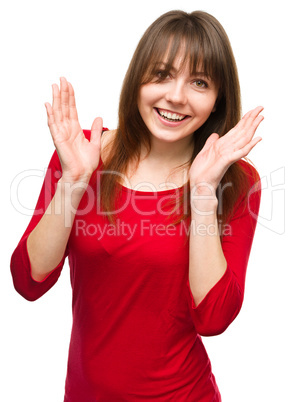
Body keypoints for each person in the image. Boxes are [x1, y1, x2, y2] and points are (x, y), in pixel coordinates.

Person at [10, 10, 263, 401]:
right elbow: (29, 281)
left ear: (217, 100)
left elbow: (213, 319)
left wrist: (202, 191)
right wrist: (74, 182)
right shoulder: (85, 154)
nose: (176, 96)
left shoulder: (236, 180)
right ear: (137, 81)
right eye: (161, 74)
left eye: (199, 82)